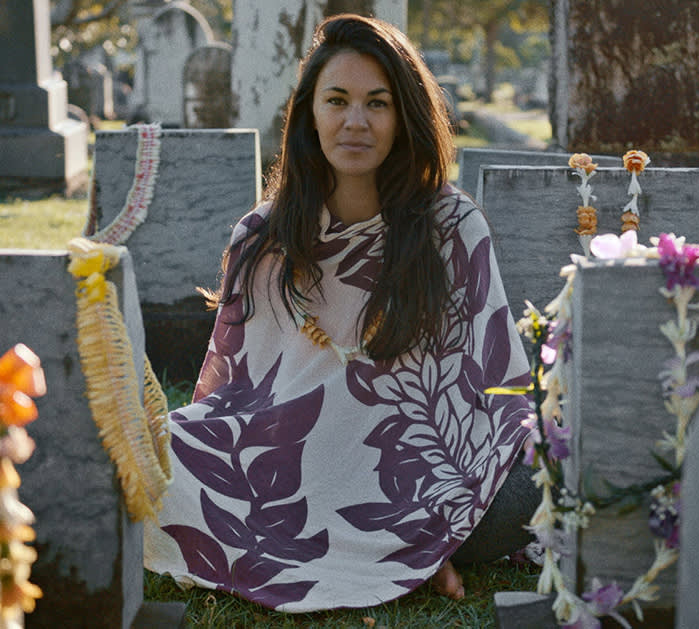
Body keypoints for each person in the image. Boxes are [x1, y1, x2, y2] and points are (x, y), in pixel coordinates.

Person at [144, 13, 538, 612]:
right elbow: (232, 396)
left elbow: (496, 388)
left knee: (537, 474)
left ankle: (420, 540)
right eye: (337, 101)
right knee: (158, 454)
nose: (356, 121)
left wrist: (440, 505)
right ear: (310, 113)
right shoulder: (263, 236)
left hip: (426, 476)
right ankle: (410, 553)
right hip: (294, 469)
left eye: (377, 103)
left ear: (403, 117)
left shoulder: (453, 227)